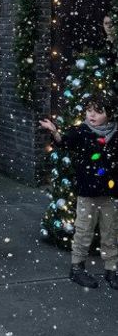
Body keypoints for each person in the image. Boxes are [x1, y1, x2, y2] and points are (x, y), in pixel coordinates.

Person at [39, 99, 118, 289]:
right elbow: (64, 142)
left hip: (110, 193)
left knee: (111, 232)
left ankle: (111, 270)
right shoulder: (82, 131)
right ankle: (77, 268)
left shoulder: (115, 134)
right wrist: (55, 131)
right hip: (87, 192)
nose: (91, 115)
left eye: (98, 111)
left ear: (108, 114)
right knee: (84, 230)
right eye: (89, 110)